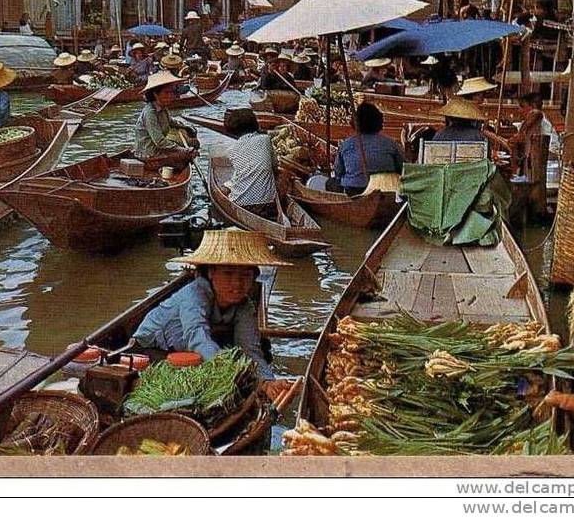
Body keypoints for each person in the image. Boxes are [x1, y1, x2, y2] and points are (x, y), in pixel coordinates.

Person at [132, 229, 292, 400]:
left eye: (245, 275)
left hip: (194, 345)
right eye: (228, 274)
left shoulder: (244, 306)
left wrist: (267, 382)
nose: (237, 283)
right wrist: (231, 371)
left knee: (263, 350)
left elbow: (250, 349)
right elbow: (196, 335)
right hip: (151, 349)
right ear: (211, 273)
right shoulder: (194, 294)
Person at [328, 103, 404, 196]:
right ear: (379, 122)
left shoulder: (346, 145)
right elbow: (402, 168)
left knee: (330, 183)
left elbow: (338, 173)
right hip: (386, 191)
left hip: (354, 190)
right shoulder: (391, 144)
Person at [133, 70, 200, 172]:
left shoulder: (163, 108)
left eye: (172, 92)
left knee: (193, 145)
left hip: (158, 150)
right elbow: (159, 141)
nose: (171, 96)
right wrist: (183, 150)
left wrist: (186, 127)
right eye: (167, 92)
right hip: (149, 155)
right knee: (185, 156)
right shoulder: (150, 112)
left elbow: (171, 122)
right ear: (156, 94)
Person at [223, 108, 278, 220]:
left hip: (240, 203)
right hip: (267, 205)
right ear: (255, 124)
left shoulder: (231, 150)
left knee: (228, 186)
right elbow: (275, 166)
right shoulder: (265, 139)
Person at [509, 92, 546, 177]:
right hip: (532, 158)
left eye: (522, 107)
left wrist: (519, 135)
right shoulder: (531, 120)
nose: (520, 111)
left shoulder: (537, 115)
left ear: (532, 105)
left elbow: (535, 113)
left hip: (543, 158)